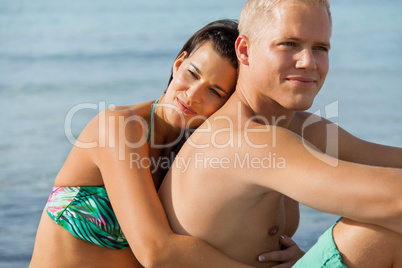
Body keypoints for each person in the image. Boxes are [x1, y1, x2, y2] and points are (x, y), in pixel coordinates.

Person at [30, 19, 297, 268]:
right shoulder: (119, 127)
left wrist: (295, 257)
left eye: (215, 91)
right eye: (192, 74)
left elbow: (276, 226)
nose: (192, 96)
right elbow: (155, 251)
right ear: (179, 63)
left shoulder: (202, 149)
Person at [158, 1, 402, 267]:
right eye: (289, 44)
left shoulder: (297, 127)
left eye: (320, 48)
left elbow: (388, 160)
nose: (308, 62)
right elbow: (396, 200)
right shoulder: (247, 140)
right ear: (245, 50)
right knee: (378, 234)